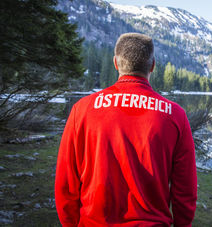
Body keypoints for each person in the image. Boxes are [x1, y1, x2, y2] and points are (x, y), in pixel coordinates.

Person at [55, 33, 197, 227]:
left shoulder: (82, 109)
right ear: (152, 66)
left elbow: (66, 183)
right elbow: (185, 190)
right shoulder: (175, 115)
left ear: (115, 63)